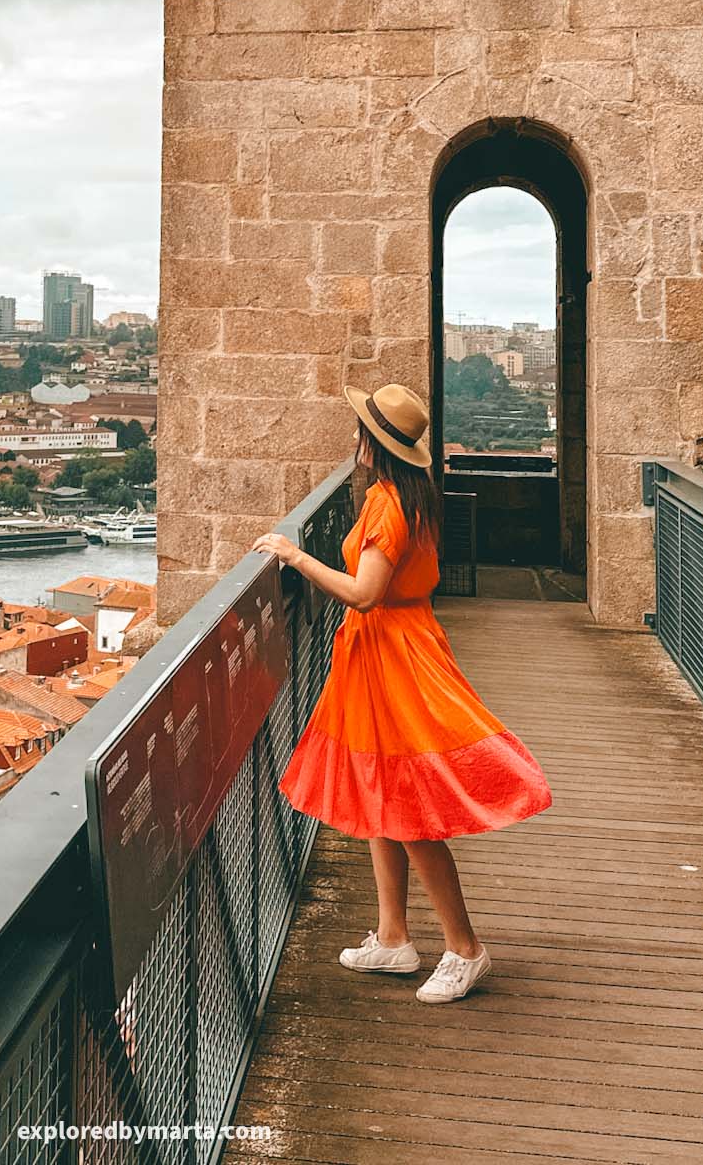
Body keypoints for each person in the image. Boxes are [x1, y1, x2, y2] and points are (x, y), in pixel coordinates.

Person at [253, 382, 552, 1004]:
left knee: (411, 805)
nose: (354, 438)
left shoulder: (388, 505)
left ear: (374, 443)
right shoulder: (401, 495)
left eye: (361, 429)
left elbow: (365, 593)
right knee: (383, 792)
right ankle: (393, 937)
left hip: (392, 652)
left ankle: (466, 949)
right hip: (386, 649)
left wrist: (294, 555)